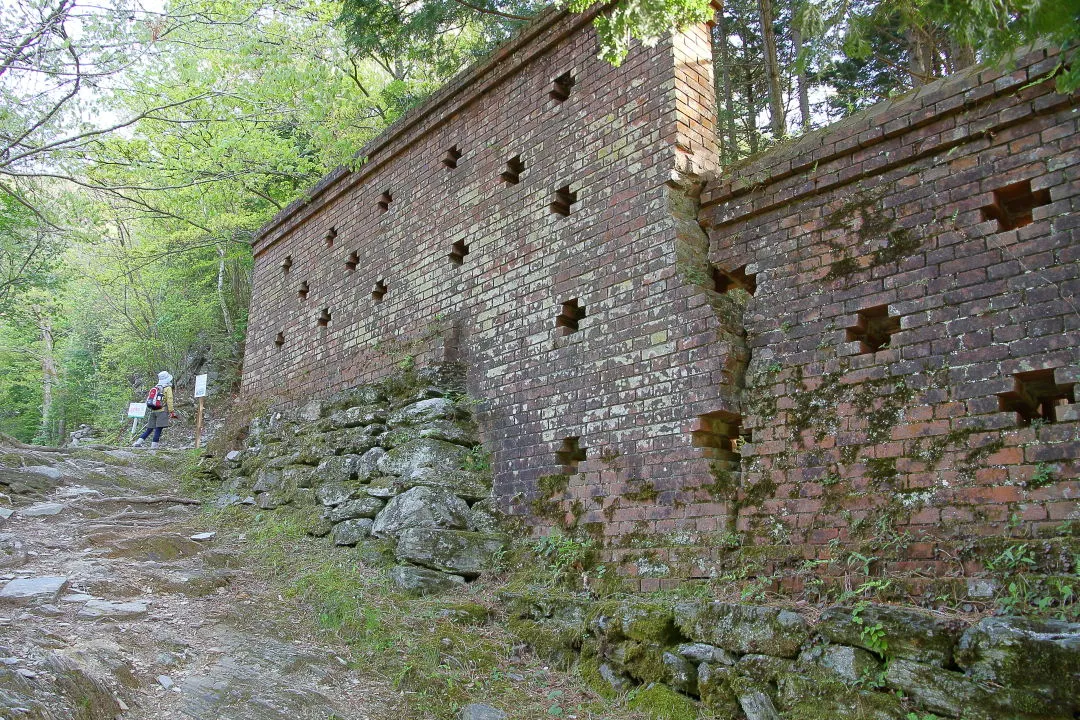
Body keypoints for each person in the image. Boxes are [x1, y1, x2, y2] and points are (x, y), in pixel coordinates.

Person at [132, 371, 177, 449]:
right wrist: (171, 411)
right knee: (159, 428)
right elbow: (169, 399)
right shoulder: (167, 388)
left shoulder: (156, 387)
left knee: (150, 428)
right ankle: (154, 446)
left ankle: (138, 442)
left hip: (153, 410)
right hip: (162, 410)